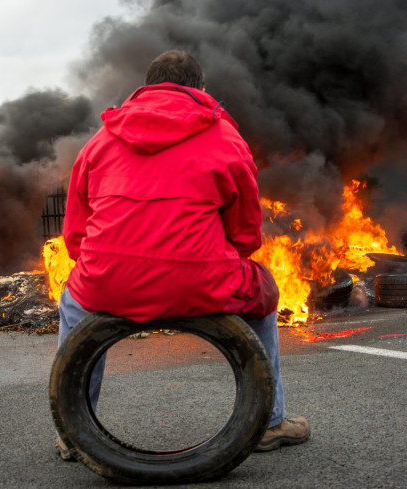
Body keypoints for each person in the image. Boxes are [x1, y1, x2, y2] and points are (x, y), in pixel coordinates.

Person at [55, 50, 310, 460]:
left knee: (72, 305)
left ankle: (72, 431)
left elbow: (75, 235)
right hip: (201, 281)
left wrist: (113, 267)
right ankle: (269, 423)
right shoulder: (226, 138)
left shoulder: (99, 141)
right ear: (200, 89)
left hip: (107, 282)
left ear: (145, 88)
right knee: (263, 297)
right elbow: (245, 234)